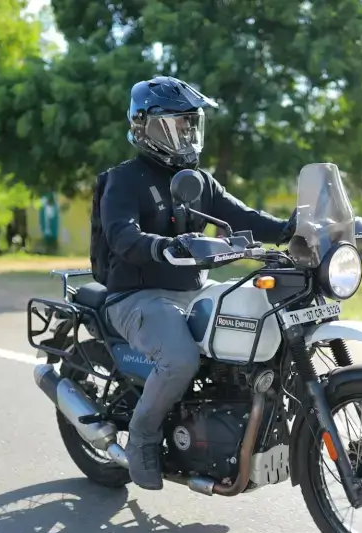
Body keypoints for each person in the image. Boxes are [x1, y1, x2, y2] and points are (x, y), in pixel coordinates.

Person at [90, 76, 295, 490]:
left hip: (193, 291)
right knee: (181, 358)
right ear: (144, 127)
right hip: (137, 297)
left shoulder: (198, 180)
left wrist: (295, 228)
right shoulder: (123, 180)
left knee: (259, 326)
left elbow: (247, 217)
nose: (186, 134)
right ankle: (143, 438)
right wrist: (163, 247)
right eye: (176, 125)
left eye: (191, 124)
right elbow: (121, 235)